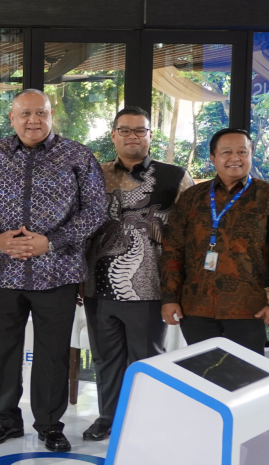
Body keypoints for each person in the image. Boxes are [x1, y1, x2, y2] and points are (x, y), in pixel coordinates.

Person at [0, 89, 105, 453]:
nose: (33, 120)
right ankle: (5, 420)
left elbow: (94, 211)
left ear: (50, 114)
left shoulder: (77, 155)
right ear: (11, 118)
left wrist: (52, 242)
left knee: (53, 353)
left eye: (40, 113)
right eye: (25, 114)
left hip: (56, 272)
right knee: (2, 350)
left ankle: (49, 425)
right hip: (1, 272)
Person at [81, 106, 194, 441]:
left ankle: (146, 419)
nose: (132, 136)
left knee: (146, 357)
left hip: (149, 286)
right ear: (113, 134)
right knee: (105, 357)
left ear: (149, 135)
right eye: (125, 130)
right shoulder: (92, 173)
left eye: (139, 130)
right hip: (96, 284)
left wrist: (177, 287)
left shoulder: (174, 176)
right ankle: (108, 418)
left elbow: (189, 232)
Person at [161, 128, 269, 355]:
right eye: (226, 152)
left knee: (244, 380)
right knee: (202, 374)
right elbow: (172, 251)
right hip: (196, 307)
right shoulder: (192, 197)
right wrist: (169, 297)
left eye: (242, 152)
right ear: (213, 158)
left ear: (251, 155)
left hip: (248, 309)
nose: (235, 158)